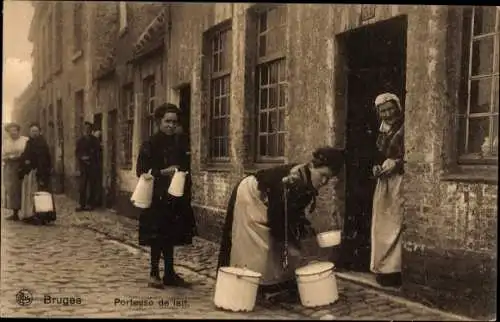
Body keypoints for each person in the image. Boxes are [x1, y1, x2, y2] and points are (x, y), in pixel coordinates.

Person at [217, 147, 345, 303]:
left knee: (280, 245)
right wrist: (292, 243)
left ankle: (272, 284)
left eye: (328, 178)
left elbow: (292, 213)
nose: (324, 182)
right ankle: (249, 285)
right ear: (312, 167)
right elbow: (278, 217)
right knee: (255, 244)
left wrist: (301, 232)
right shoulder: (293, 180)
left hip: (269, 201)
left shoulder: (307, 179)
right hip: (251, 194)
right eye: (323, 175)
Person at [135, 103, 197, 289]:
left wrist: (183, 176)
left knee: (171, 234)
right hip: (156, 196)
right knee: (157, 235)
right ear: (159, 122)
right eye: (167, 121)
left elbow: (185, 166)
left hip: (175, 195)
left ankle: (169, 273)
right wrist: (162, 172)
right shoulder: (150, 144)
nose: (171, 125)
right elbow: (141, 170)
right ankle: (154, 273)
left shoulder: (179, 143)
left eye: (174, 122)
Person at [370, 93, 404, 287]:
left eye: (391, 109)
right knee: (381, 224)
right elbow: (378, 155)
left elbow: (412, 154)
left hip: (399, 180)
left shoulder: (406, 126)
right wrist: (376, 167)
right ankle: (383, 268)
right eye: (383, 111)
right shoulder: (382, 130)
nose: (388, 114)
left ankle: (394, 270)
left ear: (397, 108)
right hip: (385, 182)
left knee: (395, 223)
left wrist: (397, 164)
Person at [18, 123, 55, 225]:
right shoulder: (29, 143)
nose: (34, 133)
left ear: (39, 132)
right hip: (30, 172)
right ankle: (30, 214)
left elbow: (45, 159)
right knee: (30, 194)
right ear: (29, 132)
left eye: (36, 131)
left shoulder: (42, 144)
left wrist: (43, 170)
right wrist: (25, 161)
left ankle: (41, 216)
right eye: (32, 131)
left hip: (40, 172)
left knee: (41, 194)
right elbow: (25, 155)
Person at [2, 123, 29, 221]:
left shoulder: (25, 140)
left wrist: (20, 156)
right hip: (10, 168)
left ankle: (27, 213)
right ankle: (15, 213)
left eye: (15, 130)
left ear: (18, 131)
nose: (13, 133)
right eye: (10, 131)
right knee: (12, 190)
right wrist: (9, 157)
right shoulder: (6, 142)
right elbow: (3, 155)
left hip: (23, 167)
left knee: (24, 188)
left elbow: (28, 153)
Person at [75, 122, 101, 211]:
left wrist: (91, 158)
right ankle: (81, 204)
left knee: (92, 185)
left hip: (92, 166)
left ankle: (90, 204)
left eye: (89, 129)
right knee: (82, 186)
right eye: (85, 128)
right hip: (83, 166)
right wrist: (82, 157)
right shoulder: (80, 141)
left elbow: (98, 152)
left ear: (91, 130)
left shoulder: (95, 141)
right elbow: (77, 152)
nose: (87, 130)